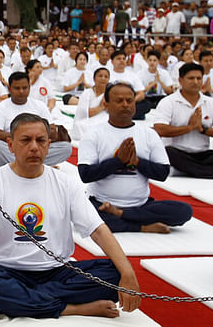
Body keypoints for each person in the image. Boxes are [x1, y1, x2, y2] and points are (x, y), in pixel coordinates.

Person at [0, 113, 142, 319]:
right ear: (11, 145)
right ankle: (73, 308)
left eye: (40, 140)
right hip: (8, 270)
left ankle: (30, 301)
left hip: (58, 271)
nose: (34, 147)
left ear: (49, 145)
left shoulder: (65, 183)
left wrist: (128, 274)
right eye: (26, 140)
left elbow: (98, 230)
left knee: (115, 273)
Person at [78, 82, 192, 233]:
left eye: (129, 101)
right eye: (119, 101)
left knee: (183, 211)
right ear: (106, 104)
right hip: (101, 203)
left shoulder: (149, 134)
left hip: (140, 204)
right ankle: (140, 225)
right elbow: (86, 175)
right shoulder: (93, 134)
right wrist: (118, 161)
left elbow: (163, 173)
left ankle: (119, 215)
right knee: (81, 215)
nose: (125, 105)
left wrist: (137, 162)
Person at [148, 62, 213, 179]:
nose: (196, 82)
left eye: (199, 78)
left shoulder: (212, 103)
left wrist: (203, 130)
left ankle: (185, 170)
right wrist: (189, 128)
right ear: (180, 80)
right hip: (177, 152)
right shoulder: (168, 102)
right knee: (167, 152)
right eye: (191, 78)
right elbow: (159, 129)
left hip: (203, 153)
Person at [0, 71, 71, 167]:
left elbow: (52, 131)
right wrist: (21, 136)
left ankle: (20, 165)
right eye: (17, 88)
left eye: (24, 88)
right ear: (9, 89)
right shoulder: (1, 107)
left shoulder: (39, 105)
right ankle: (35, 165)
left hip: (37, 147)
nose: (21, 91)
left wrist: (32, 136)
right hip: (14, 149)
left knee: (66, 148)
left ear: (29, 88)